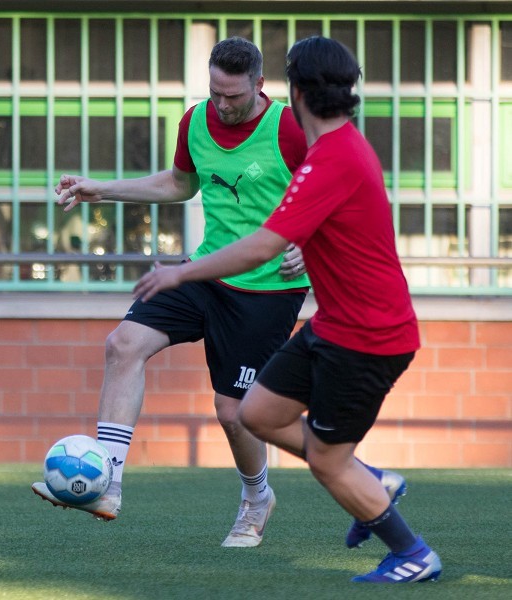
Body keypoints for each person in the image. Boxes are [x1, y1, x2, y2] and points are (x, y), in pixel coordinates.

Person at [132, 36, 441, 583]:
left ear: (293, 93)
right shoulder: (329, 150)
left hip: (368, 337)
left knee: (326, 458)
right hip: (333, 326)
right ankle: (372, 480)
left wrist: (179, 271)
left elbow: (264, 244)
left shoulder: (334, 158)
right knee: (254, 413)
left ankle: (411, 551)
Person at [32, 36, 312, 548]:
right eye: (215, 93)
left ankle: (257, 497)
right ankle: (107, 484)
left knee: (233, 414)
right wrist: (103, 188)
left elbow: (336, 195)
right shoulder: (196, 120)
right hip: (205, 272)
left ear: (260, 85)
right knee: (123, 344)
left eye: (233, 96)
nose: (222, 106)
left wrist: (312, 247)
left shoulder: (291, 128)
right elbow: (180, 184)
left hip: (267, 290)